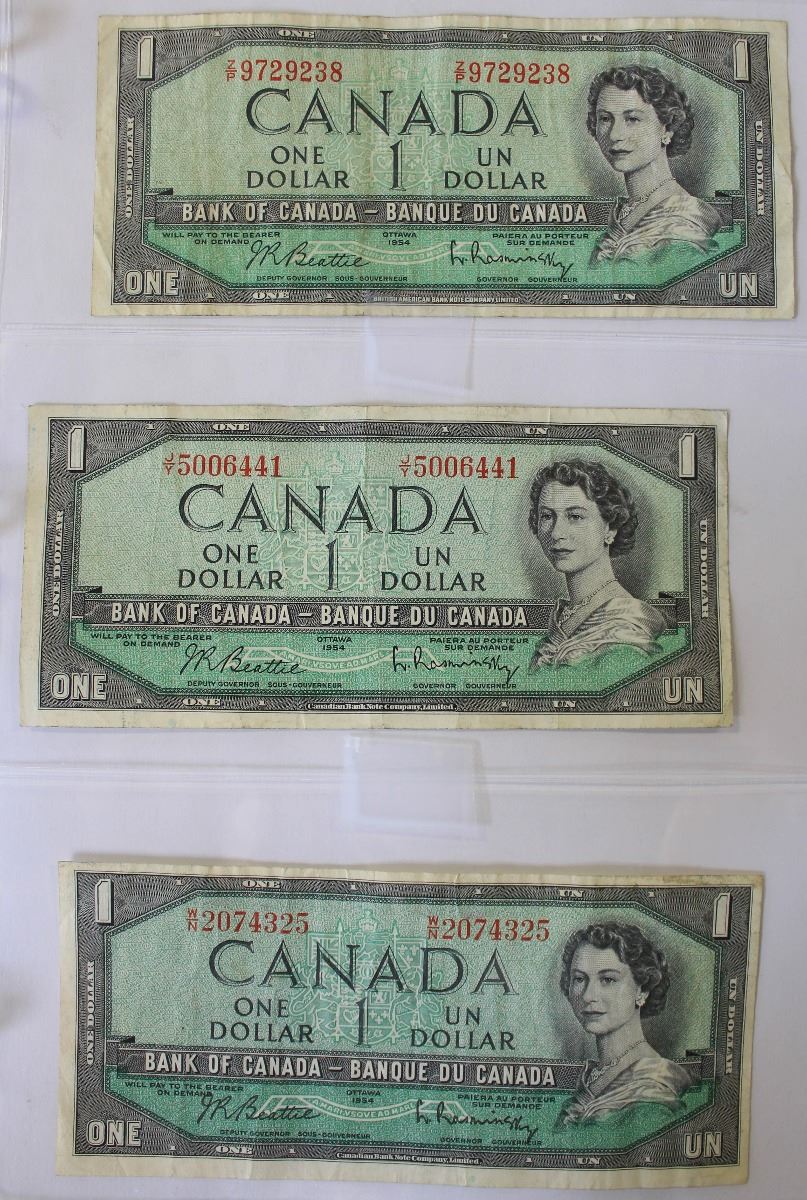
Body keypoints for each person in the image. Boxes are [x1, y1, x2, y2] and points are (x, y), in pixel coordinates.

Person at [528, 460, 665, 669]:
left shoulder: (625, 630)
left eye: (575, 516)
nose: (556, 533)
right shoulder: (563, 616)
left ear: (610, 528)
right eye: (547, 516)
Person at [558, 923, 692, 1126]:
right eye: (579, 979)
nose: (588, 996)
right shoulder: (590, 1077)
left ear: (642, 990)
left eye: (608, 979)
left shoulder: (653, 1093)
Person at [587, 64, 720, 262]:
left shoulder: (682, 227)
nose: (614, 135)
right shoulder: (624, 212)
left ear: (668, 128)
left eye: (632, 119)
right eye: (605, 118)